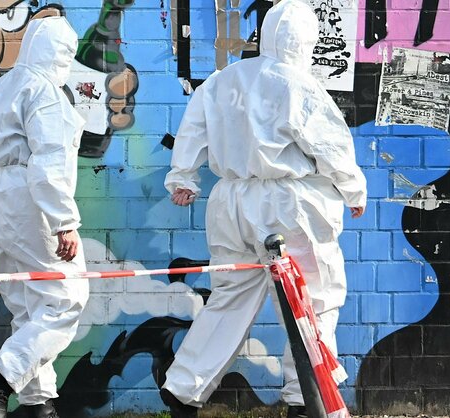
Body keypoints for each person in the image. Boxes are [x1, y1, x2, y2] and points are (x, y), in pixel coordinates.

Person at [160, 1, 367, 417]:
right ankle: (302, 399)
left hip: (231, 203)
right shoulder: (300, 85)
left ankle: (183, 388)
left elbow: (193, 131)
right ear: (306, 41)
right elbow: (330, 147)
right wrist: (353, 190)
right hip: (292, 204)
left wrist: (182, 177)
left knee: (229, 300)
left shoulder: (221, 82)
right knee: (311, 300)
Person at [0, 17, 89, 418]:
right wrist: (63, 221)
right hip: (24, 201)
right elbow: (49, 160)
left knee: (29, 306)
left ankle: (38, 404)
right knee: (66, 300)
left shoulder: (0, 87)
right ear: (62, 53)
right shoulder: (46, 92)